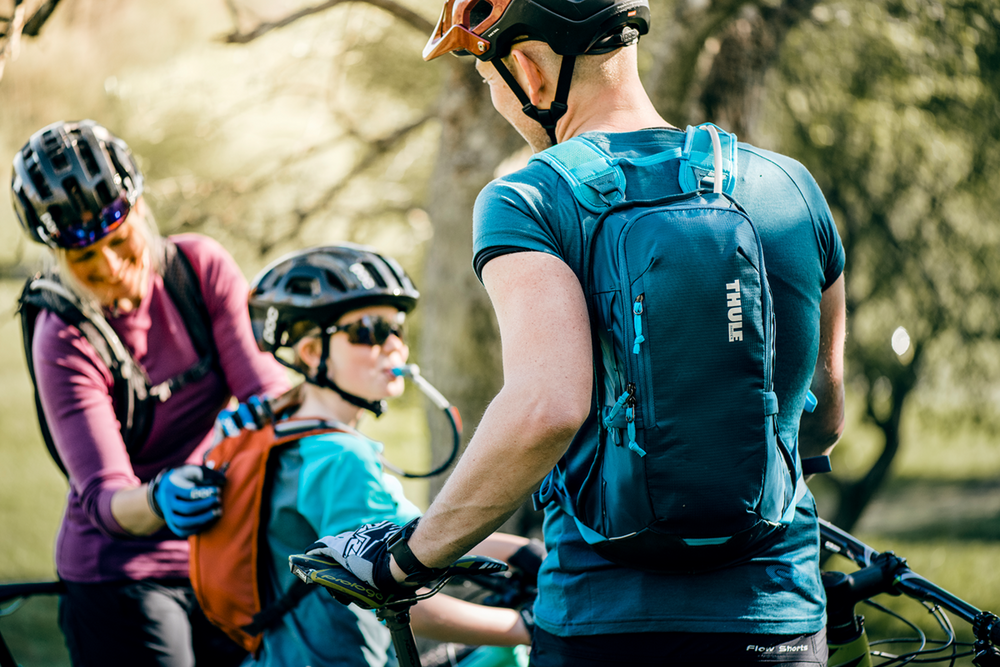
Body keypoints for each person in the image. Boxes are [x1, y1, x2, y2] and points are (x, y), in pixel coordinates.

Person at [305, 1, 847, 665]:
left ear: (528, 70)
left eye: (489, 78)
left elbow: (547, 408)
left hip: (602, 622)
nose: (498, 98)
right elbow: (823, 414)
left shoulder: (529, 199)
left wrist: (406, 561)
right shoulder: (791, 187)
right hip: (778, 617)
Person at [10, 119, 290, 667]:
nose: (111, 268)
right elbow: (106, 497)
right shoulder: (64, 334)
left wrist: (270, 420)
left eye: (119, 242)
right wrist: (161, 497)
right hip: (120, 571)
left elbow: (269, 393)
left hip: (222, 552)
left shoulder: (199, 269)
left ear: (140, 211)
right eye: (85, 260)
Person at [240, 244, 536, 667]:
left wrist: (518, 552)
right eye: (369, 330)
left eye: (397, 328)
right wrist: (529, 625)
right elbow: (403, 599)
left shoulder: (289, 439)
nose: (395, 345)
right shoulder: (340, 458)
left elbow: (416, 538)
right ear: (312, 353)